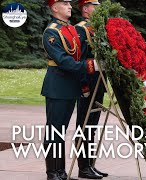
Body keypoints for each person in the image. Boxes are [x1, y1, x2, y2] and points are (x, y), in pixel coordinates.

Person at [42, 0, 99, 179]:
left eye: (68, 2)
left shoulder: (70, 29)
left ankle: (62, 172)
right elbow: (63, 60)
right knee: (55, 131)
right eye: (64, 3)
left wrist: (83, 82)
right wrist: (91, 65)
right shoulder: (51, 31)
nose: (69, 6)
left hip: (70, 87)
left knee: (61, 131)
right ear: (54, 8)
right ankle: (53, 172)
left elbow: (76, 55)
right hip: (57, 86)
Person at [74, 0, 108, 179]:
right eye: (94, 6)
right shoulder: (81, 29)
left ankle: (90, 165)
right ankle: (83, 167)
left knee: (92, 126)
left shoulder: (98, 28)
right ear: (85, 9)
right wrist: (84, 85)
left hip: (99, 83)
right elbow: (78, 59)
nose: (98, 9)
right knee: (84, 126)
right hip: (88, 84)